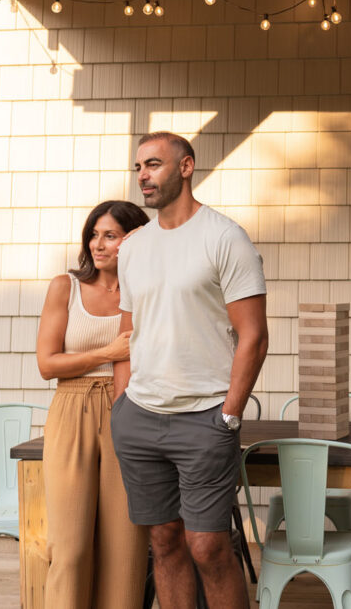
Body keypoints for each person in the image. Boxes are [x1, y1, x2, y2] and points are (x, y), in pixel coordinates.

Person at [111, 132, 269, 609]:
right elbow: (128, 333)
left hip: (204, 418)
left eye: (154, 165)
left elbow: (254, 336)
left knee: (209, 546)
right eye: (139, 167)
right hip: (139, 416)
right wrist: (122, 404)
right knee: (164, 541)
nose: (143, 176)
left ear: (185, 167)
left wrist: (229, 416)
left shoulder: (224, 238)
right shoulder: (134, 248)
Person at [36, 200, 150, 609]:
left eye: (112, 236)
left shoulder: (147, 290)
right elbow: (47, 365)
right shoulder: (64, 287)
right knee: (70, 546)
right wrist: (110, 352)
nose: (98, 244)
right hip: (73, 409)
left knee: (126, 547)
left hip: (130, 409)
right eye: (94, 234)